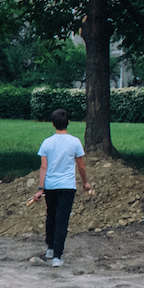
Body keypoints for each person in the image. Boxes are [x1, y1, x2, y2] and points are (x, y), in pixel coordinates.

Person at [28, 109, 91, 268]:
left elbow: (43, 168)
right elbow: (81, 166)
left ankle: (50, 247)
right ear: (67, 122)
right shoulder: (75, 142)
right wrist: (85, 183)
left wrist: (41, 188)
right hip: (68, 186)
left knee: (51, 216)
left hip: (50, 186)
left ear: (52, 123)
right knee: (62, 220)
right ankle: (57, 256)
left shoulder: (47, 142)